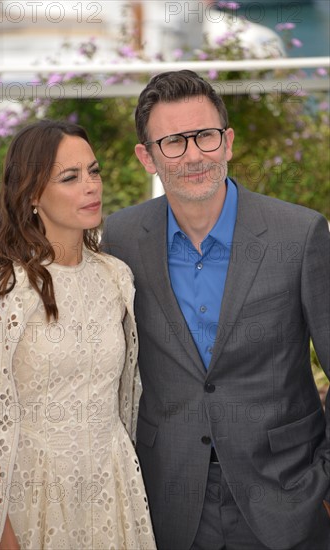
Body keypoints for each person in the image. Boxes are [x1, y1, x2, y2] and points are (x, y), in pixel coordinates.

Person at [101, 70, 330, 550]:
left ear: (226, 141)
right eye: (173, 143)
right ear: (147, 157)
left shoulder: (300, 234)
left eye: (204, 136)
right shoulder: (119, 239)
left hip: (289, 495)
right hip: (170, 502)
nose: (194, 156)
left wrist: (324, 485)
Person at [0, 119, 156, 550]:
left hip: (112, 488)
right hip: (31, 497)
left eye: (94, 171)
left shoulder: (116, 277)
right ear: (32, 194)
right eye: (70, 177)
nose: (91, 186)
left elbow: (127, 397)